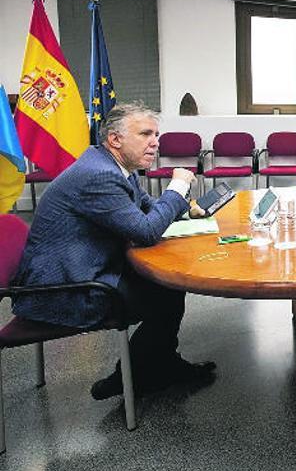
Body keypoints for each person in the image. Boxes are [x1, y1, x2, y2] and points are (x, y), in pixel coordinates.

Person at [12, 102, 216, 400]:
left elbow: (146, 208)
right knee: (164, 295)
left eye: (156, 134)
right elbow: (146, 231)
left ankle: (156, 367)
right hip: (65, 288)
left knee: (168, 289)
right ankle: (132, 376)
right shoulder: (99, 175)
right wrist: (177, 189)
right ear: (115, 139)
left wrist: (185, 208)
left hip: (86, 266)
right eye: (145, 133)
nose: (155, 142)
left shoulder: (118, 167)